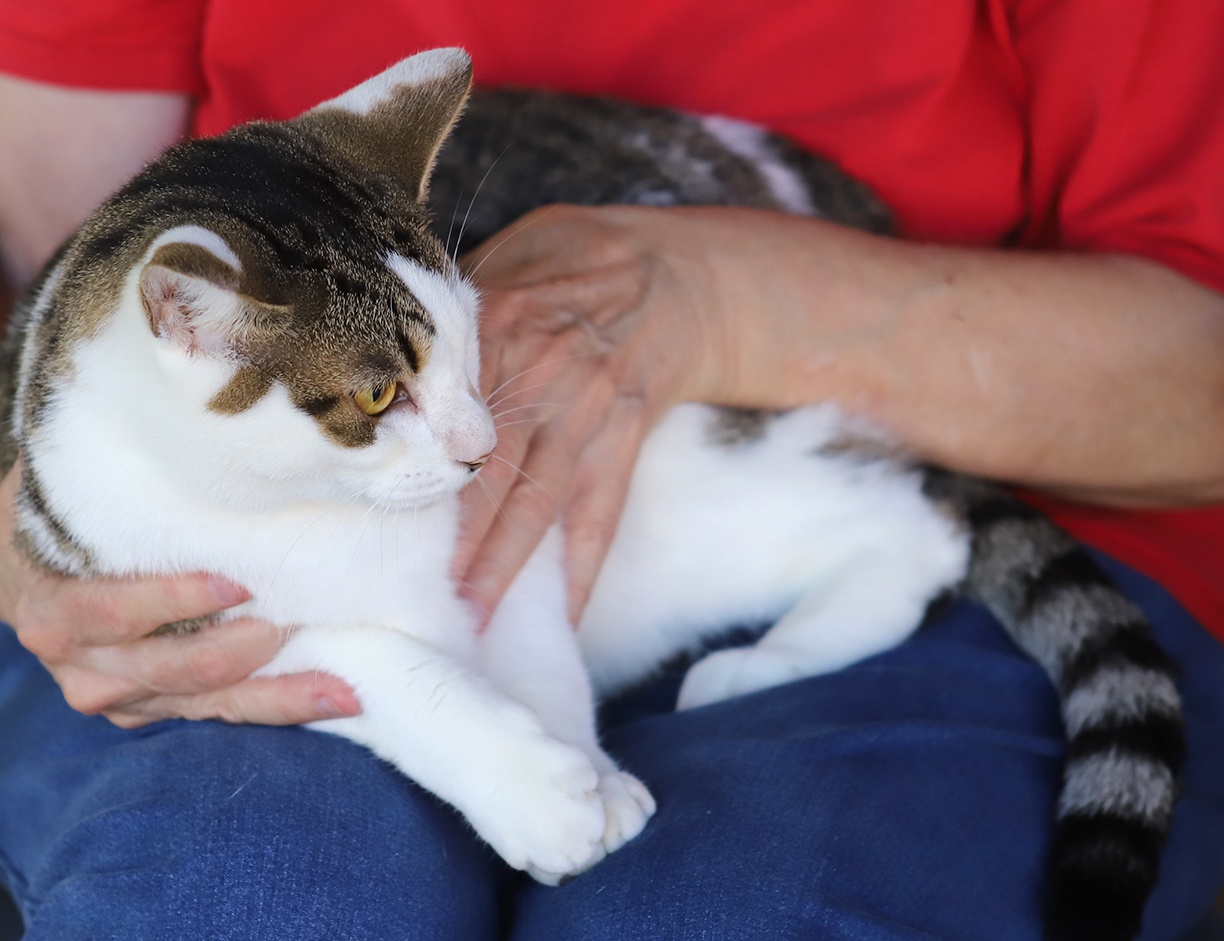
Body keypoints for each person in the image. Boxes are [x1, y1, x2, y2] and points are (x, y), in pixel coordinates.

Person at [1, 1, 1223, 938]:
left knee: (727, 909)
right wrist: (32, 514)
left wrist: (718, 300)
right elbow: (39, 242)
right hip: (274, 464)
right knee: (251, 897)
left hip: (949, 463)